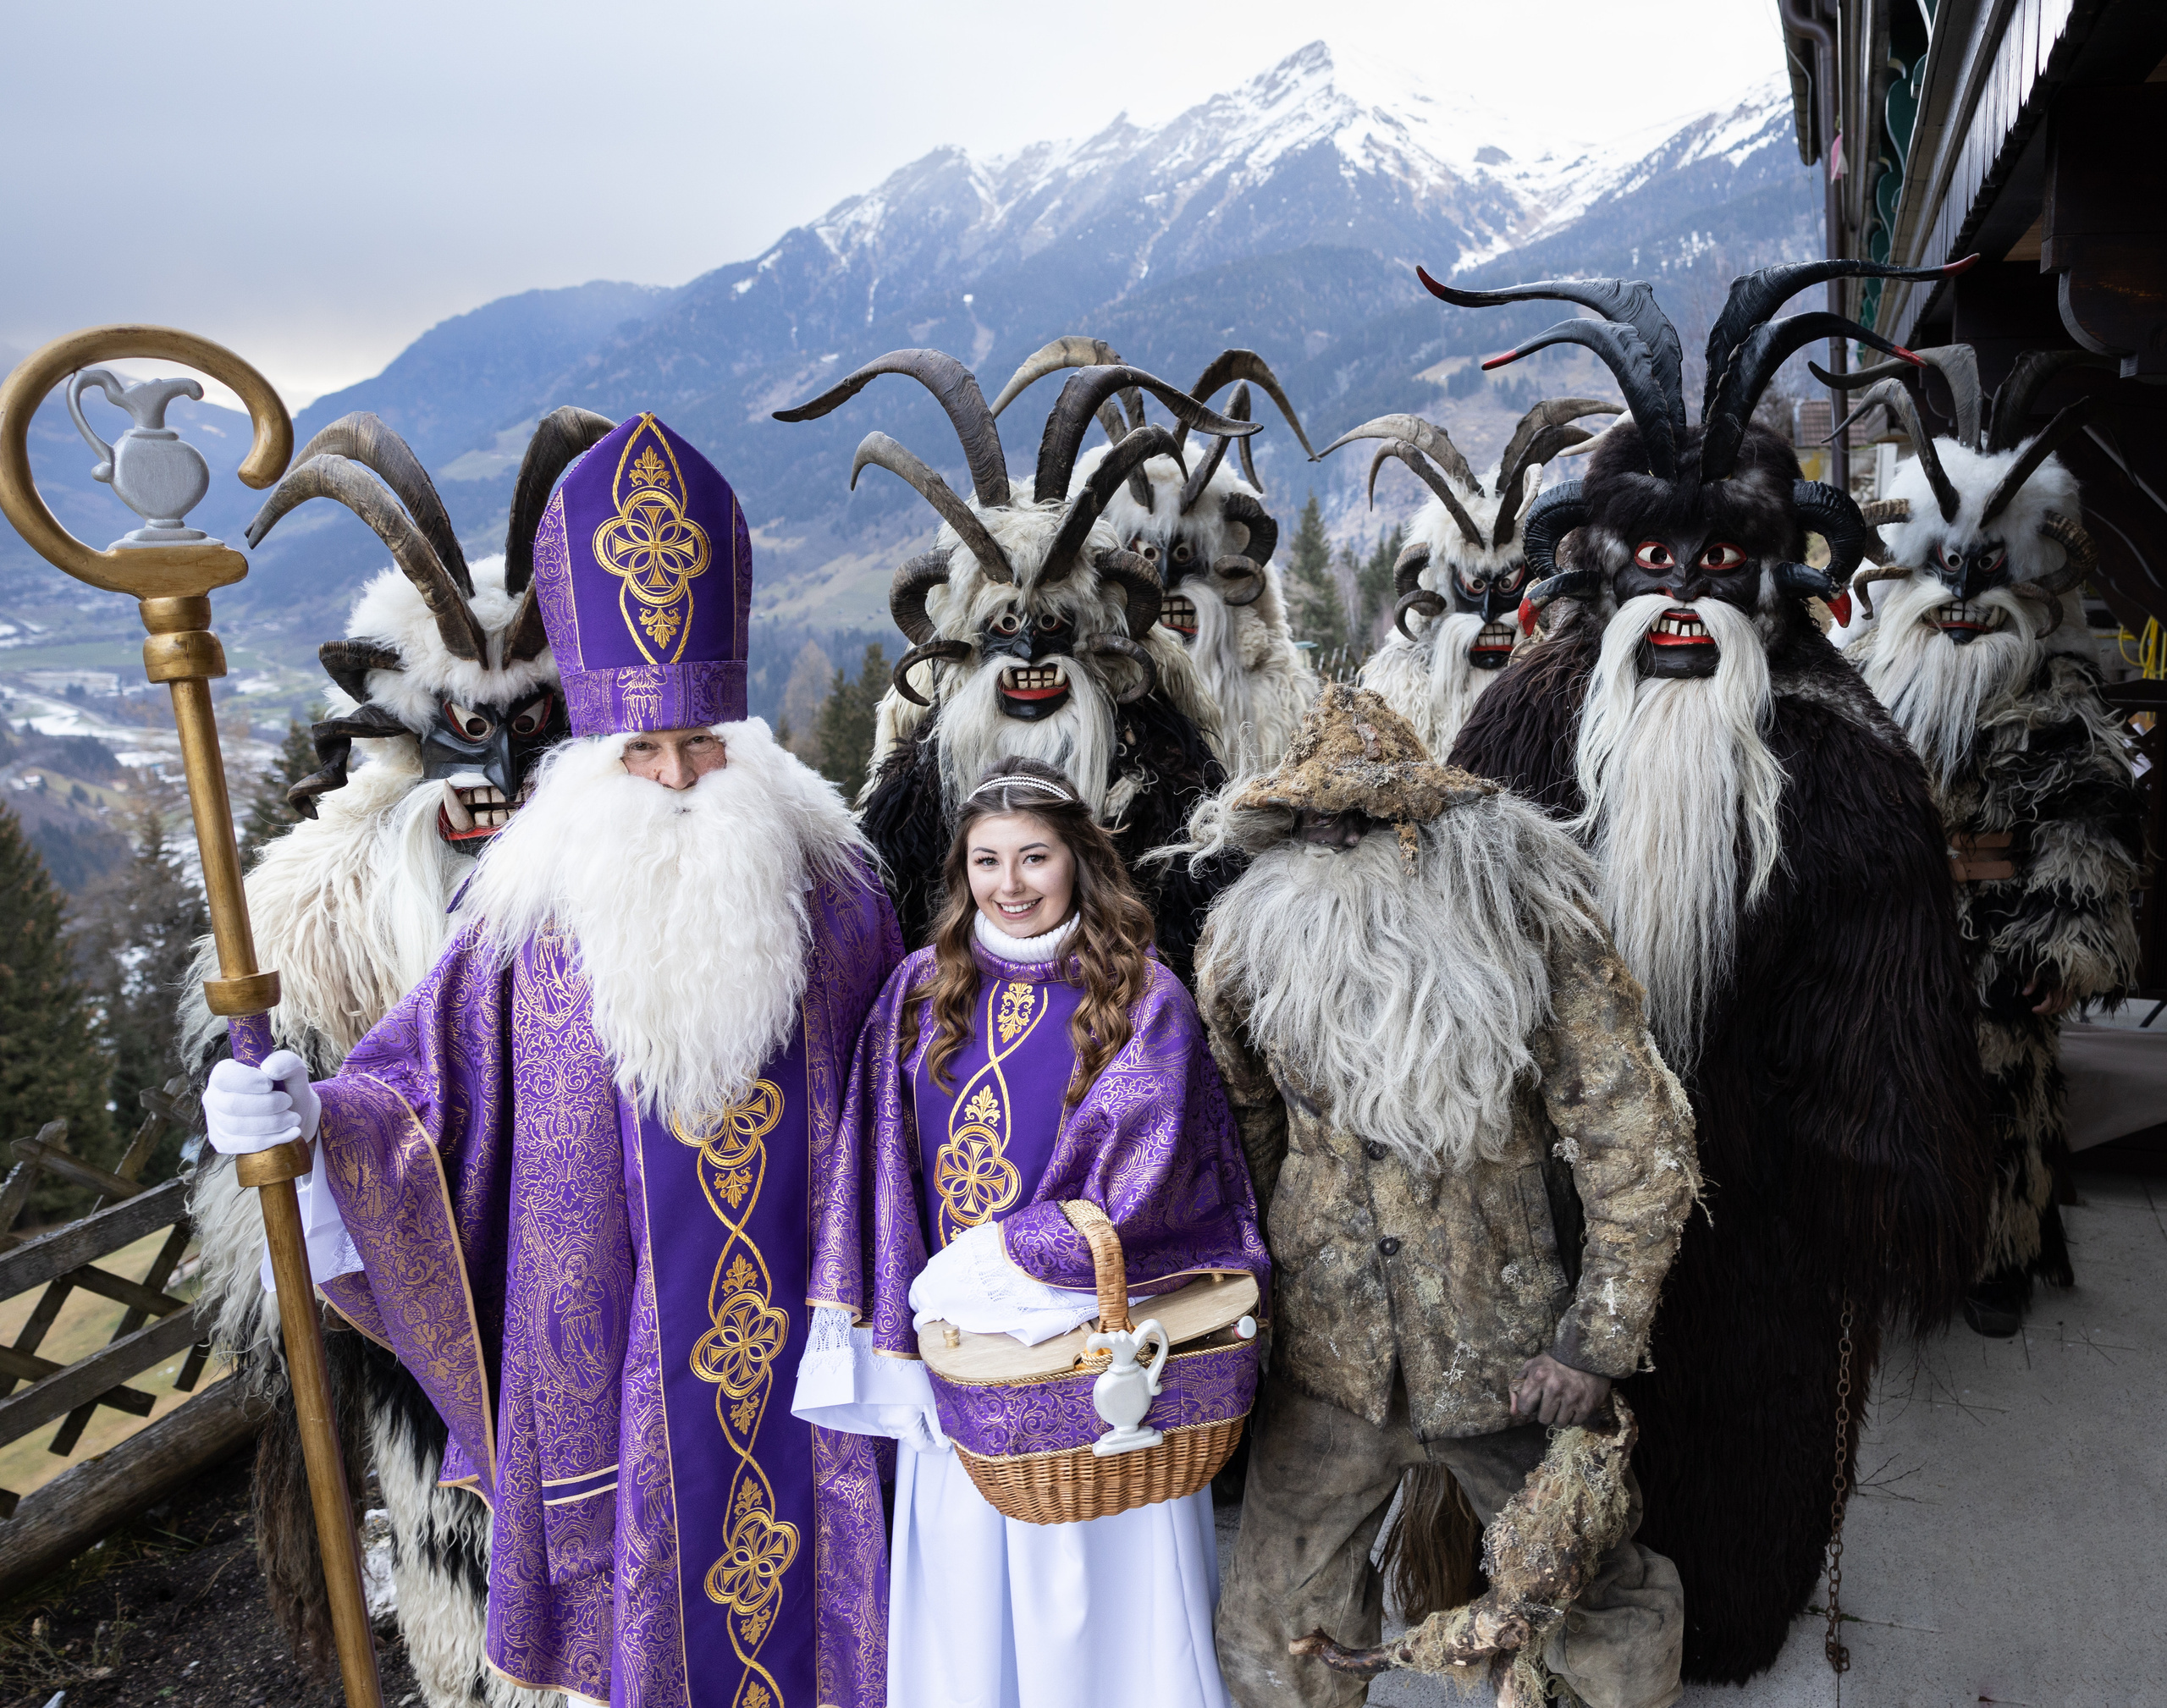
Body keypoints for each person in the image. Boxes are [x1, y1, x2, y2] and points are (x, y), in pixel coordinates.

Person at [200, 412, 902, 1708]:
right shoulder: (526, 922)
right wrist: (301, 1111)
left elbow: (916, 1099)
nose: (679, 777)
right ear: (598, 753)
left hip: (818, 1386)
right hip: (622, 1411)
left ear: (743, 740)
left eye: (702, 746)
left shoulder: (842, 901)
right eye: (644, 750)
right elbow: (417, 1103)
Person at [1435, 259, 1993, 1682]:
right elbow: (1450, 956)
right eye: (1653, 561)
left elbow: (1887, 1008)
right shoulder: (1519, 727)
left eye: (1722, 564)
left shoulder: (1840, 749)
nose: (1683, 593)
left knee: (1742, 1484)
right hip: (1556, 1207)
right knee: (1551, 1498)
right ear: (1598, 562)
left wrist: (1863, 1178)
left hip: (1764, 1221)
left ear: (1783, 568)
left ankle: (1729, 1616)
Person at [184, 405, 603, 1708]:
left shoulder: (633, 854)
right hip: (440, 1335)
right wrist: (260, 1119)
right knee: (471, 1596)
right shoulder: (321, 908)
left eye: (522, 732)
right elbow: (263, 1164)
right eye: (458, 735)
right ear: (404, 724)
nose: (491, 774)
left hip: (614, 1294)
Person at [1183, 686, 1698, 1708]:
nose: (1336, 840)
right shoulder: (1244, 954)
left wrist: (1593, 1340)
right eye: (1311, 820)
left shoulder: (1532, 936)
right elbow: (1243, 1137)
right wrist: (1244, 1314)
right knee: (1274, 1618)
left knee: (1591, 1590)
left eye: (1365, 818)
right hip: (1330, 1358)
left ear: (1425, 823)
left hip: (1508, 1351)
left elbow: (1633, 1138)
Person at [794, 756, 1269, 1708]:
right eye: (985, 860)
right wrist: (906, 1313)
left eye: (1034, 857)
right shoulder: (919, 993)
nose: (1008, 885)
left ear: (1080, 860)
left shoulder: (1143, 999)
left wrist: (1001, 1259)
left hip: (1100, 1360)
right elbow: (878, 1166)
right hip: (966, 1358)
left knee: (1107, 1593)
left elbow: (1154, 1183)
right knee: (971, 1599)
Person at [1827, 344, 2142, 1336]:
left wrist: (2063, 943)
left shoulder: (2051, 691)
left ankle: (1995, 1255)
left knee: (2000, 1093)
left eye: (1987, 569)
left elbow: (2087, 817)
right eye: (1945, 568)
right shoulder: (1864, 690)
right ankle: (1887, 1249)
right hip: (1892, 925)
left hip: (2003, 925)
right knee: (1880, 1089)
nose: (1962, 593)